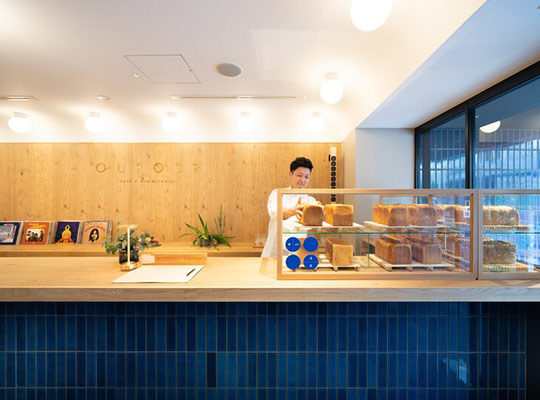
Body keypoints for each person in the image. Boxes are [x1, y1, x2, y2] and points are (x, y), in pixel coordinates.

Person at [261, 157, 318, 258]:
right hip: (275, 253)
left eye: (306, 177)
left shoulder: (311, 201)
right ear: (290, 174)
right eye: (299, 175)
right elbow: (274, 213)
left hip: (298, 253)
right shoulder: (277, 194)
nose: (302, 180)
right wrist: (293, 211)